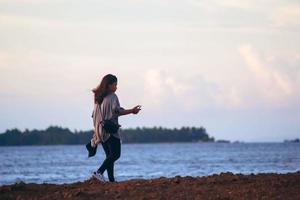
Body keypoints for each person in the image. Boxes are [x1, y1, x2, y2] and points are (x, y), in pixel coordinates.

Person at [90, 74, 141, 182]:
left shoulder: (98, 98)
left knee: (109, 156)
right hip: (110, 131)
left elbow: (94, 115)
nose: (116, 87)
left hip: (100, 132)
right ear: (108, 85)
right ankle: (99, 172)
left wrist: (96, 132)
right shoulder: (113, 96)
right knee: (115, 155)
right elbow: (117, 111)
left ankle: (111, 180)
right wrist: (132, 111)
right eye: (115, 84)